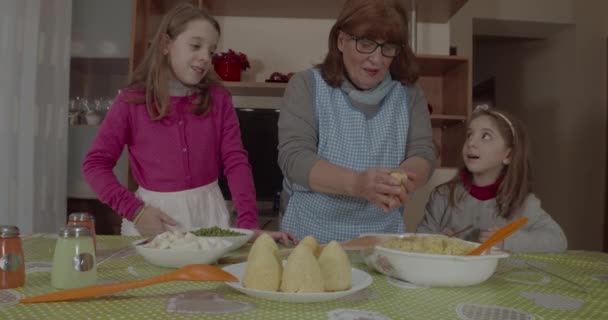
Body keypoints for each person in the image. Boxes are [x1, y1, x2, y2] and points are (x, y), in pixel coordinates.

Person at [83, 3, 295, 244]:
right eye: (195, 45)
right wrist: (136, 212)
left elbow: (236, 161)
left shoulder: (219, 98)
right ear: (165, 44)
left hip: (209, 216)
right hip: (153, 220)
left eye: (211, 51)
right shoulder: (131, 101)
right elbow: (95, 165)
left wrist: (248, 225)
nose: (205, 57)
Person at [278, 0, 436, 243]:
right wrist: (358, 184)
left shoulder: (409, 95)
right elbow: (295, 159)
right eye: (365, 43)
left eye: (388, 47)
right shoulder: (307, 85)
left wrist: (402, 179)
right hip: (308, 235)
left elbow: (424, 152)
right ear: (341, 41)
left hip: (381, 238)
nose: (377, 59)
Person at [417, 106, 567, 253]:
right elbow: (420, 237)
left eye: (486, 136)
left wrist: (507, 241)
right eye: (469, 135)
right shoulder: (442, 196)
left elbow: (558, 240)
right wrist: (435, 241)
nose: (471, 143)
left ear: (508, 155)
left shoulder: (523, 203)